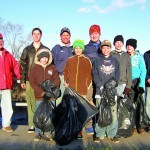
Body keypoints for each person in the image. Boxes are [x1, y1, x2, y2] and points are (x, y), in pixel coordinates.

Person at [20, 28, 49, 133]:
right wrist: (22, 80)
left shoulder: (45, 49)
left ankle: (42, 123)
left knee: (42, 102)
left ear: (41, 35)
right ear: (32, 35)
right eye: (34, 34)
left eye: (38, 34)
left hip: (42, 80)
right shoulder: (27, 50)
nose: (36, 36)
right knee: (31, 102)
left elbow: (50, 63)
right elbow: (23, 65)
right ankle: (32, 124)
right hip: (29, 80)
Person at [29, 48, 60, 142]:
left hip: (50, 97)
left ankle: (49, 132)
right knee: (39, 115)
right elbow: (32, 82)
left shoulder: (52, 68)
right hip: (39, 97)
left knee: (50, 115)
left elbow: (56, 80)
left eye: (46, 57)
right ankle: (38, 132)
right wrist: (42, 93)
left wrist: (50, 92)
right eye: (42, 57)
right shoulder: (34, 68)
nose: (44, 59)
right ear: (39, 58)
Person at [63, 39, 92, 139]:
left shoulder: (87, 60)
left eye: (80, 48)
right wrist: (66, 81)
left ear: (82, 49)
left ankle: (89, 126)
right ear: (74, 49)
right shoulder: (70, 60)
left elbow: (90, 75)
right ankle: (78, 130)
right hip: (72, 90)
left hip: (83, 90)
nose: (78, 50)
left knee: (84, 110)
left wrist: (88, 87)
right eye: (76, 48)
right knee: (73, 111)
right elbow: (66, 71)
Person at [92, 40, 120, 143]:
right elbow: (94, 74)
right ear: (101, 48)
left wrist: (112, 86)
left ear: (110, 48)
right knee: (101, 113)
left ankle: (112, 133)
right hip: (100, 91)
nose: (106, 49)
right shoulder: (97, 60)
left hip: (112, 92)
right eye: (104, 47)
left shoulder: (115, 60)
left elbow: (117, 75)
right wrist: (101, 86)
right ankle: (99, 133)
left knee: (113, 113)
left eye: (108, 47)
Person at [0, 33, 21, 132]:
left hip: (6, 84)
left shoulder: (8, 55)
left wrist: (21, 77)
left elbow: (16, 67)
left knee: (7, 106)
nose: (0, 42)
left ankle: (6, 124)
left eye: (1, 40)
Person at [84, 24, 102, 134]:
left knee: (100, 101)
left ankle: (100, 123)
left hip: (101, 79)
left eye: (96, 33)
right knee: (89, 101)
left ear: (99, 34)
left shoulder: (104, 47)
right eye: (92, 33)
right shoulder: (86, 48)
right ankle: (89, 124)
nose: (94, 35)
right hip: (90, 79)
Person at [126, 38, 147, 134]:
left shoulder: (139, 57)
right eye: (128, 45)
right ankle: (131, 126)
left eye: (131, 45)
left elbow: (143, 70)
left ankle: (140, 126)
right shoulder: (125, 56)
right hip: (128, 83)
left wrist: (142, 84)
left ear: (134, 47)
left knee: (139, 105)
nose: (129, 47)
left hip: (137, 83)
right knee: (129, 105)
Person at [51, 27, 73, 105]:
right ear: (60, 36)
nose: (66, 37)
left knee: (71, 100)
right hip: (60, 76)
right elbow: (51, 63)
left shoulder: (73, 48)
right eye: (64, 35)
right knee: (59, 99)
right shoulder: (56, 48)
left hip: (72, 77)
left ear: (70, 36)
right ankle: (59, 116)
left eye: (67, 35)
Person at [144, 49, 150, 130]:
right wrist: (148, 78)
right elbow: (144, 67)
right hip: (149, 83)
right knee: (148, 103)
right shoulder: (146, 54)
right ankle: (148, 122)